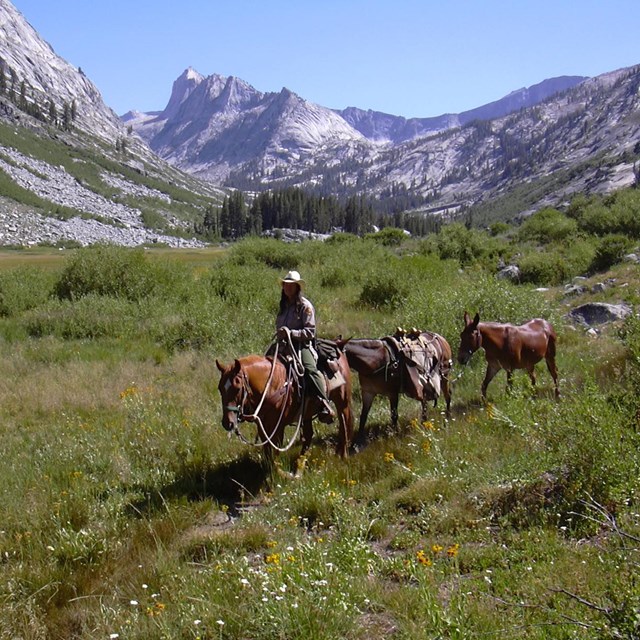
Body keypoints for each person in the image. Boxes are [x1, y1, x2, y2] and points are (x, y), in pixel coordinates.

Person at [276, 270, 335, 424]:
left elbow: (310, 332)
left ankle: (323, 402)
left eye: (291, 285)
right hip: (283, 346)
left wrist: (291, 333)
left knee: (309, 369)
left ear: (297, 287)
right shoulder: (283, 306)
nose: (287, 288)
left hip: (302, 346)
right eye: (285, 285)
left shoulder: (305, 306)